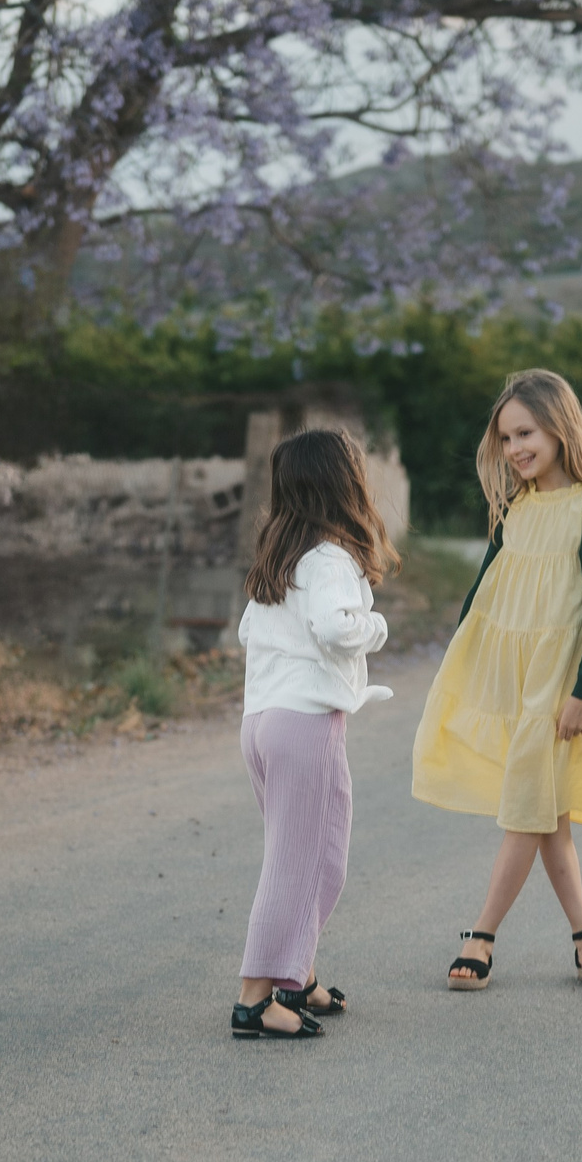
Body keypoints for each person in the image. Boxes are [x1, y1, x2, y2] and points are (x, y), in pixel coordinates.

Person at [410, 368, 582, 990]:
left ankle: (481, 935)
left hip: (561, 688)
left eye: (525, 432)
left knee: (528, 808)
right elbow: (485, 595)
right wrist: (462, 671)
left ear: (558, 427)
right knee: (547, 813)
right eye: (505, 438)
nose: (515, 448)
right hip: (516, 683)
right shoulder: (514, 508)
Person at [229, 428, 397, 1038]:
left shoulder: (280, 554)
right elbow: (337, 628)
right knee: (299, 863)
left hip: (264, 721)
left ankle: (296, 976)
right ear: (344, 482)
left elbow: (251, 632)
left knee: (320, 857)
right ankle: (254, 1000)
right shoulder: (327, 556)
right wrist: (374, 625)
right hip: (302, 725)